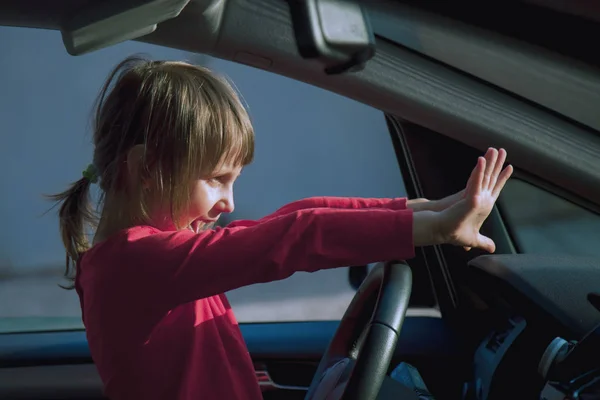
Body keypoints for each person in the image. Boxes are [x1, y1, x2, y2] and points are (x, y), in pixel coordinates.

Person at [50, 56, 513, 400]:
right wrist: (430, 230)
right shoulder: (133, 264)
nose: (228, 203)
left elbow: (292, 217)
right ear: (146, 168)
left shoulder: (155, 255)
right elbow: (288, 239)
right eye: (216, 180)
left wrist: (433, 207)